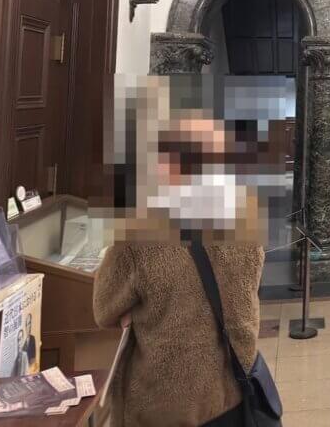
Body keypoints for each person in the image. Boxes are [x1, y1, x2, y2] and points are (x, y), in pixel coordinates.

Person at [94, 75, 266, 427]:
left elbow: (103, 309)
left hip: (164, 404)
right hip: (231, 390)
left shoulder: (140, 233)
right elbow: (245, 294)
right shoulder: (243, 217)